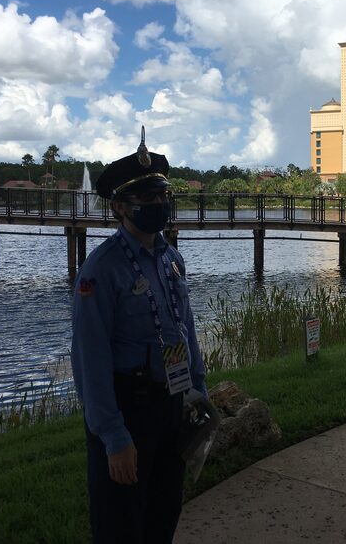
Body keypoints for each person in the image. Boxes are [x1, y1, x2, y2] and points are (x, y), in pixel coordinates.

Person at [71, 133, 207, 543]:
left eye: (161, 196)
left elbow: (186, 328)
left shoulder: (171, 258)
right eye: (145, 199)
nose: (157, 206)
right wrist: (113, 437)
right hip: (129, 407)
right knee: (121, 524)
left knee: (163, 514)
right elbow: (89, 360)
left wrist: (198, 392)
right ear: (119, 207)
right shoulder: (102, 270)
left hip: (173, 403)